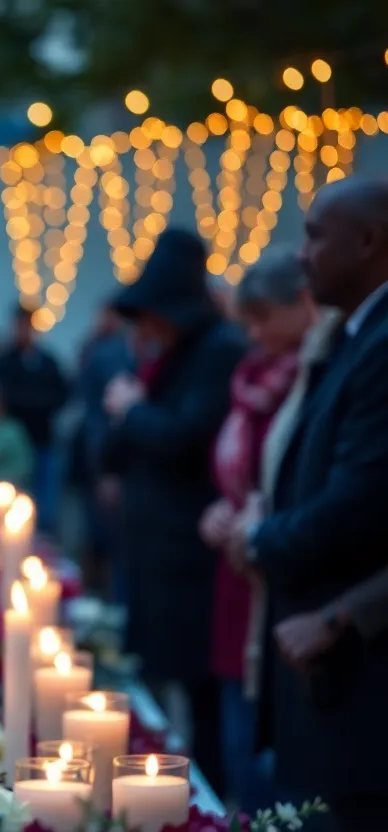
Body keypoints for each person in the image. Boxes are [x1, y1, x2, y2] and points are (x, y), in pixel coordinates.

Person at [227, 178, 388, 829]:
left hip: (361, 678)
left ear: (370, 241)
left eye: (316, 236)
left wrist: (261, 540)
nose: (301, 254)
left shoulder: (380, 344)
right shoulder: (358, 336)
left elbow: (361, 499)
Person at [101, 228, 246, 794]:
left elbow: (188, 436)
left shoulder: (218, 348)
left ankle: (207, 797)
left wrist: (133, 412)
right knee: (175, 686)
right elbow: (115, 447)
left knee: (202, 693)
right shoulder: (170, 353)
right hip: (159, 549)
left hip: (192, 553)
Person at [196, 247, 317, 810]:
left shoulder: (313, 380)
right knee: (238, 746)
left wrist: (256, 522)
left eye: (263, 316)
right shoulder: (249, 380)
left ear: (303, 304)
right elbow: (233, 476)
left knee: (280, 773)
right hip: (237, 580)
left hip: (288, 586)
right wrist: (221, 511)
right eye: (247, 319)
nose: (253, 331)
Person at [70, 298, 133, 602]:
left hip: (131, 472)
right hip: (108, 465)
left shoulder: (131, 350)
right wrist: (105, 470)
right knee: (104, 539)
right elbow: (95, 420)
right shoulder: (103, 354)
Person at [0, 305, 70, 531]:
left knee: (45, 505)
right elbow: (3, 396)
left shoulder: (47, 361)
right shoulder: (4, 363)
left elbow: (62, 393)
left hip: (43, 439)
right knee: (14, 499)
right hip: (13, 445)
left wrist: (32, 402)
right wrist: (35, 401)